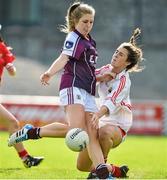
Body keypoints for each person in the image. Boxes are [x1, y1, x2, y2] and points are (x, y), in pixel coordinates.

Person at [8, 2, 114, 179]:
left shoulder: (90, 40)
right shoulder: (74, 37)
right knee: (77, 131)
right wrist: (49, 73)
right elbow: (64, 58)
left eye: (91, 22)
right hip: (73, 87)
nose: (88, 26)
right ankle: (31, 132)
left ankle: (102, 173)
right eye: (84, 22)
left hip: (88, 92)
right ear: (75, 22)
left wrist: (102, 77)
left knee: (92, 133)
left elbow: (87, 69)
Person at [80, 27, 144, 179]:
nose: (115, 55)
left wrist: (97, 114)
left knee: (105, 132)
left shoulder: (124, 81)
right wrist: (101, 78)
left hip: (117, 127)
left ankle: (101, 171)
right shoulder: (106, 69)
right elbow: (86, 77)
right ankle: (113, 170)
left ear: (127, 62)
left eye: (120, 54)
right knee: (82, 166)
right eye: (116, 51)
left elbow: (111, 102)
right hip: (101, 121)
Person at [0, 27, 44, 168]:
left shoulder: (2, 48)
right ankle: (25, 158)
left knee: (13, 123)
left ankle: (26, 158)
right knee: (12, 122)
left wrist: (12, 69)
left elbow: (11, 69)